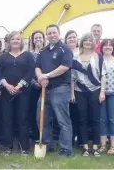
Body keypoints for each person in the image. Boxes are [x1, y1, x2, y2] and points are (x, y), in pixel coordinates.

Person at [36, 24, 74, 158]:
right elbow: (37, 67)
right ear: (47, 35)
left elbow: (64, 67)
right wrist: (41, 77)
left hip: (60, 89)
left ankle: (66, 149)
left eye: (54, 33)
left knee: (63, 121)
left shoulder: (65, 49)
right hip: (45, 89)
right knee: (41, 119)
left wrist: (47, 75)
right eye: (49, 33)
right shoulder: (43, 51)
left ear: (59, 34)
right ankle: (47, 145)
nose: (52, 35)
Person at [0, 31, 35, 156]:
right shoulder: (3, 56)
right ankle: (7, 146)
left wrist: (19, 85)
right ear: (9, 41)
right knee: (6, 119)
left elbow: (30, 72)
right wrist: (7, 85)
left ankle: (24, 147)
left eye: (18, 39)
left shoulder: (28, 55)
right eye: (13, 39)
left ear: (21, 41)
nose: (15, 41)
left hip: (23, 92)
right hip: (6, 91)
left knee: (22, 119)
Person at [70, 33, 103, 156]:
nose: (88, 42)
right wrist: (72, 93)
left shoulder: (98, 56)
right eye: (85, 40)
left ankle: (95, 146)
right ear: (82, 42)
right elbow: (72, 77)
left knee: (95, 119)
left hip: (95, 90)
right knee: (82, 119)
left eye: (90, 40)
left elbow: (103, 75)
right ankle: (85, 147)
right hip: (80, 91)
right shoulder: (76, 57)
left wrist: (102, 91)